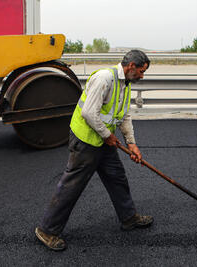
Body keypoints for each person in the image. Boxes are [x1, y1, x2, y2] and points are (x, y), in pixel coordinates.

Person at [35, 50, 153, 251]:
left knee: (117, 177)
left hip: (103, 140)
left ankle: (128, 218)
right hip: (86, 140)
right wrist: (108, 136)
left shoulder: (125, 84)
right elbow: (89, 113)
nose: (142, 76)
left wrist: (131, 143)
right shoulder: (104, 79)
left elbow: (123, 116)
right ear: (131, 66)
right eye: (141, 71)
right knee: (72, 185)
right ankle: (47, 230)